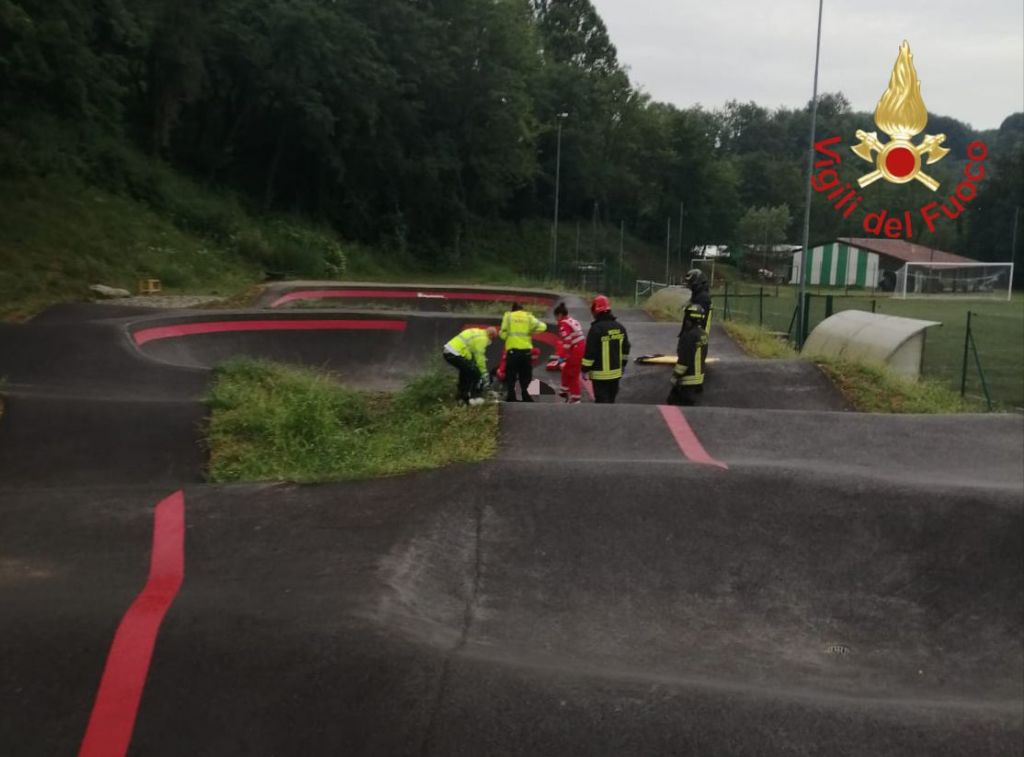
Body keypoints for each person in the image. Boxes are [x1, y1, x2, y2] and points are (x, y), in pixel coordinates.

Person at [581, 295, 630, 404]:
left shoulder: (596, 329)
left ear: (595, 310)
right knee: (611, 402)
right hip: (616, 375)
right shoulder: (620, 327)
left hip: (599, 376)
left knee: (602, 404)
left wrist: (584, 369)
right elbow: (626, 349)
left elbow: (590, 352)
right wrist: (623, 364)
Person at [499, 302, 547, 402]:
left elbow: (503, 333)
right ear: (522, 309)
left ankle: (511, 396)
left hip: (513, 351)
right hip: (526, 351)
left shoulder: (508, 316)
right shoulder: (528, 316)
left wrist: (507, 336)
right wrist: (530, 332)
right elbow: (543, 327)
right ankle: (526, 396)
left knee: (511, 375)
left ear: (513, 309)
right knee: (525, 375)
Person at [443, 326, 497, 405]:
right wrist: (484, 372)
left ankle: (461, 398)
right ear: (491, 336)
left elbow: (469, 349)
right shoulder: (482, 339)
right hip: (455, 353)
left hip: (449, 351)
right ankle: (474, 397)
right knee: (476, 373)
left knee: (466, 372)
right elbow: (480, 357)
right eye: (493, 339)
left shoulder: (477, 331)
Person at [667, 304, 708, 406]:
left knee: (674, 403)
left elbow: (684, 359)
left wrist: (675, 376)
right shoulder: (703, 334)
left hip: (687, 380)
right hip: (698, 378)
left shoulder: (689, 336)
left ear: (690, 318)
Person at [553, 301, 585, 403]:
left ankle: (575, 398)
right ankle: (564, 390)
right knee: (566, 370)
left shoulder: (563, 324)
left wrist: (562, 356)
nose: (555, 319)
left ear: (559, 315)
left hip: (576, 350)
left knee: (572, 374)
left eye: (556, 317)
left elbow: (567, 341)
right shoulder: (571, 320)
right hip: (579, 347)